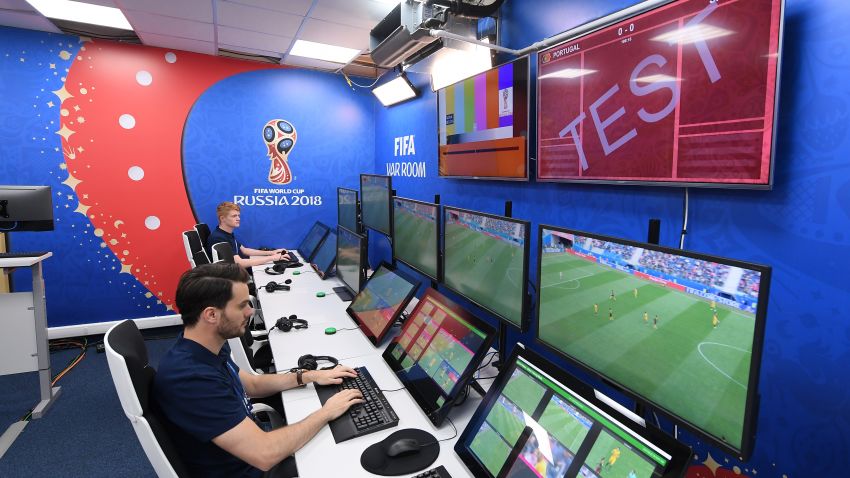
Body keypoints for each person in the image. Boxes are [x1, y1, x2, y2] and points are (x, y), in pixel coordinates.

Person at [153, 263, 364, 477]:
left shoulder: (204, 345)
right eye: (242, 305)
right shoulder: (191, 378)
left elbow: (252, 384)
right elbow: (265, 454)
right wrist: (326, 412)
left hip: (253, 449)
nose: (251, 311)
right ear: (211, 315)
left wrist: (311, 376)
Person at [206, 201, 291, 268]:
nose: (238, 219)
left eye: (238, 215)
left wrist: (271, 252)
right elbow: (239, 263)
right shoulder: (218, 238)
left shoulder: (226, 234)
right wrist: (272, 258)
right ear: (222, 218)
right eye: (234, 216)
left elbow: (245, 250)